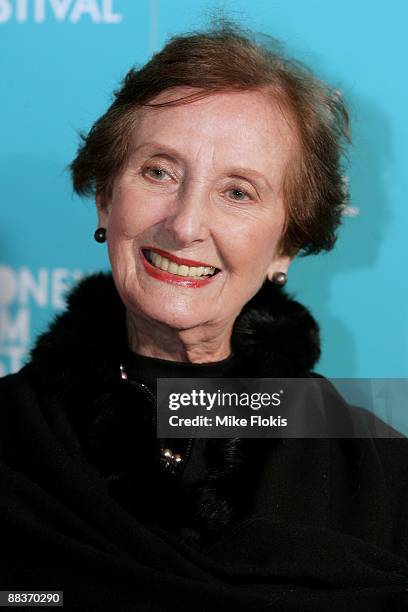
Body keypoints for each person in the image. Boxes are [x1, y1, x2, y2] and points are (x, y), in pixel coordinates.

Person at [1, 21, 408, 612]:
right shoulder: (13, 440)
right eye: (159, 171)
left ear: (285, 246)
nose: (186, 225)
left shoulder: (381, 469)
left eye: (238, 192)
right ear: (105, 198)